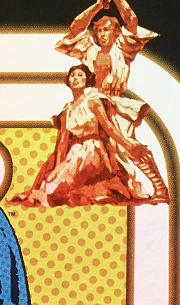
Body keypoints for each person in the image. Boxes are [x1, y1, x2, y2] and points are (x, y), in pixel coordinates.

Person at [55, 0, 168, 202]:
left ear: (116, 33)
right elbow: (76, 28)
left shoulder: (122, 50)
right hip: (91, 104)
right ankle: (99, 191)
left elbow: (131, 19)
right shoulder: (89, 52)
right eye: (99, 30)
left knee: (127, 145)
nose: (102, 34)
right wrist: (98, 4)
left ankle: (159, 187)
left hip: (113, 105)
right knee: (87, 149)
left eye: (107, 29)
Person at [20, 64, 146, 207]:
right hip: (75, 152)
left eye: (80, 75)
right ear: (68, 81)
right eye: (72, 75)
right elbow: (62, 142)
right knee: (53, 185)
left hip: (94, 150)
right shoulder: (67, 109)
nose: (76, 78)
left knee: (66, 184)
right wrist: (58, 167)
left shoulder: (93, 101)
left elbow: (108, 127)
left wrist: (128, 145)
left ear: (87, 81)